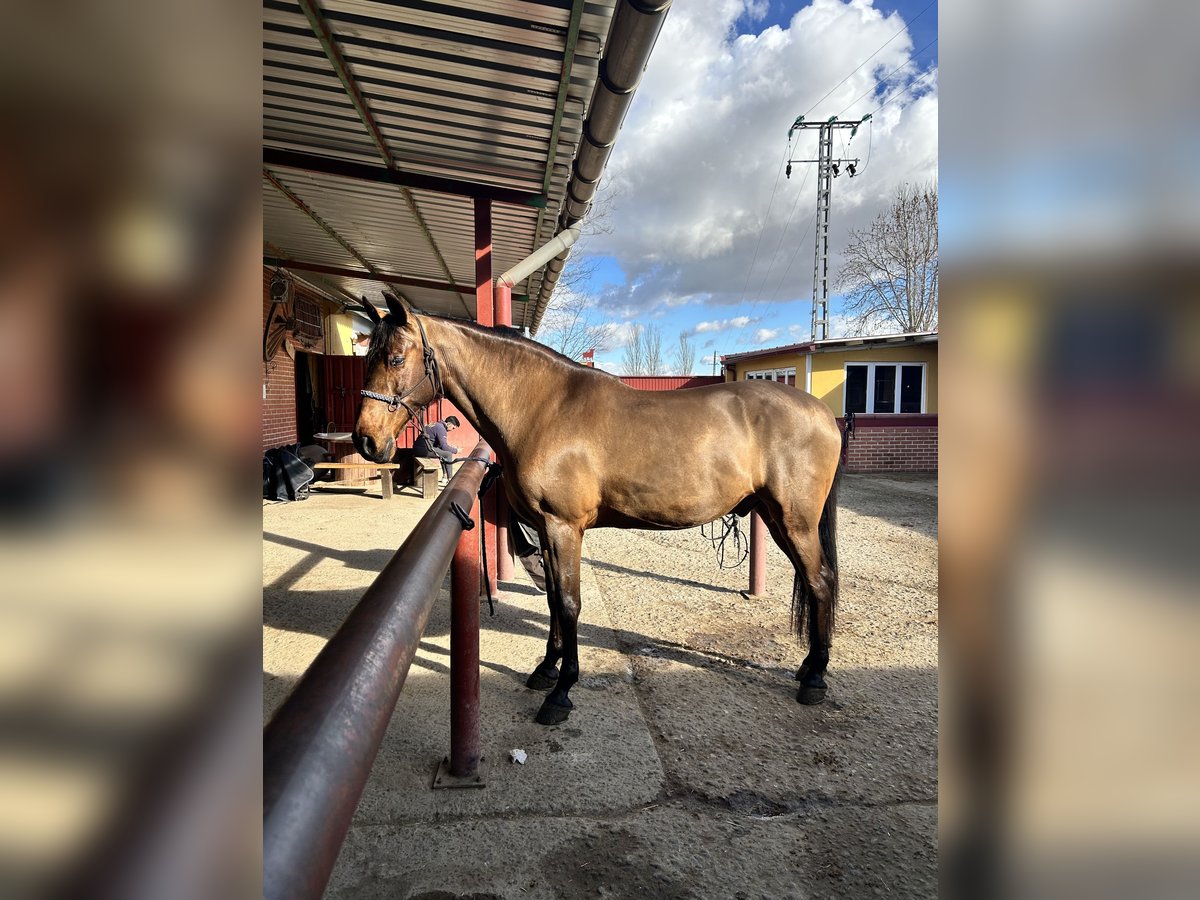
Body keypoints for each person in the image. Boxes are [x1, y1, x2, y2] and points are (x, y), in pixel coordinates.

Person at [413, 415, 460, 484]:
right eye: (453, 428)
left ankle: (444, 476)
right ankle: (450, 479)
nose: (452, 430)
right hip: (424, 450)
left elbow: (440, 446)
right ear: (449, 424)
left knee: (442, 453)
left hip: (418, 448)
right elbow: (444, 446)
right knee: (448, 454)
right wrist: (456, 450)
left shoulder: (436, 424)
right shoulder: (441, 429)